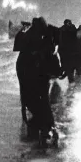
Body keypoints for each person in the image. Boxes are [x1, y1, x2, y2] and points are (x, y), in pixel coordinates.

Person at [16, 17, 61, 145]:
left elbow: (23, 58)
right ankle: (46, 125)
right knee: (43, 101)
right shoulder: (44, 36)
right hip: (40, 75)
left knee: (33, 100)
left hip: (31, 75)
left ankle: (41, 125)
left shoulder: (31, 37)